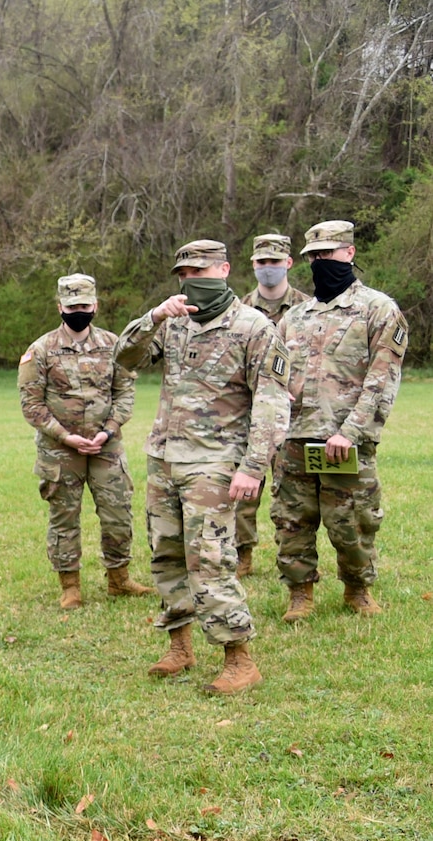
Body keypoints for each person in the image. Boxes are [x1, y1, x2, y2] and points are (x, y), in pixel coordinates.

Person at [111, 240, 292, 694]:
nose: (191, 279)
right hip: (166, 457)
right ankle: (180, 645)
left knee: (210, 559)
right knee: (166, 555)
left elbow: (272, 403)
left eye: (201, 270)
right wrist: (153, 317)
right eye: (184, 272)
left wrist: (253, 466)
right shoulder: (174, 324)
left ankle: (239, 658)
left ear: (225, 269)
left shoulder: (254, 327)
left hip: (215, 463)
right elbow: (124, 359)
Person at [271, 220, 408, 620]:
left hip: (344, 440)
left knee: (352, 519)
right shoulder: (294, 317)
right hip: (295, 439)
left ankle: (357, 589)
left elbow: (381, 381)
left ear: (349, 253)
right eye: (314, 256)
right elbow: (274, 378)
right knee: (291, 519)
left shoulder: (378, 309)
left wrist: (350, 432)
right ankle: (300, 593)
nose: (320, 262)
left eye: (327, 254)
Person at [18, 274, 153, 608]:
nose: (78, 310)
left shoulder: (113, 344)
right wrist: (67, 437)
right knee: (64, 518)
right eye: (71, 306)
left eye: (83, 305)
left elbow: (125, 391)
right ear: (59, 307)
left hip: (107, 447)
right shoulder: (41, 350)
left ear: (95, 305)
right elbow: (31, 405)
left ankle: (119, 580)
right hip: (60, 451)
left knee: (118, 513)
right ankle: (70, 587)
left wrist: (109, 429)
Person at [232, 233, 311, 577]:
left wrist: (292, 388)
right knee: (244, 489)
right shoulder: (238, 310)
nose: (268, 269)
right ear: (253, 265)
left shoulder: (308, 308)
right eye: (262, 263)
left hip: (295, 417)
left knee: (289, 491)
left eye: (275, 262)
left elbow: (314, 361)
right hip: (248, 415)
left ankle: (290, 557)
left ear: (288, 264)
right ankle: (241, 556)